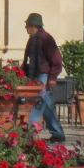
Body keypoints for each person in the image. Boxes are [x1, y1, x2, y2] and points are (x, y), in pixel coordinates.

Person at [21, 13, 65, 143]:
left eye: (27, 25)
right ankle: (58, 134)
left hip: (44, 77)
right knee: (47, 107)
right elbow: (28, 59)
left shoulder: (46, 39)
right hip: (36, 77)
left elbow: (57, 60)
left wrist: (52, 77)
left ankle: (30, 133)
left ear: (34, 25)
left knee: (38, 103)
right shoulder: (33, 38)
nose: (26, 28)